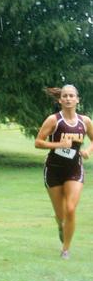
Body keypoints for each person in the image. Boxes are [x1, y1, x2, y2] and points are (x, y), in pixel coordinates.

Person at [35, 85, 93, 259]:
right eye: (65, 96)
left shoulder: (85, 121)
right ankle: (61, 226)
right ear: (60, 100)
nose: (68, 98)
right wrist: (58, 145)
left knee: (70, 209)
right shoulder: (53, 120)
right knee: (61, 215)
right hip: (53, 170)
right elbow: (38, 142)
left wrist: (87, 151)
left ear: (77, 99)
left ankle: (65, 249)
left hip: (74, 169)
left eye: (71, 96)